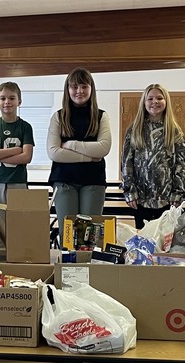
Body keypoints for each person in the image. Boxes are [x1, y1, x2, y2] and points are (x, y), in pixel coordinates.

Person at [47, 67, 112, 238]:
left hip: (93, 181)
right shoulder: (58, 117)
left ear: (91, 89)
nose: (79, 91)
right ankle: (67, 265)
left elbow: (103, 148)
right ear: (67, 89)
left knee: (90, 235)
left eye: (84, 86)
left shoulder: (101, 116)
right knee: (68, 233)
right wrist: (91, 157)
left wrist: (70, 144)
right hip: (64, 181)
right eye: (74, 87)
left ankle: (89, 265)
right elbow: (54, 152)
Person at [121, 83, 185, 230]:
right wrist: (129, 191)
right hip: (140, 198)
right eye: (150, 98)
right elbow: (127, 162)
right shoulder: (134, 129)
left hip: (167, 199)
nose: (155, 102)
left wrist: (178, 192)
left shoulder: (174, 130)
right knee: (144, 239)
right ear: (144, 102)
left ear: (166, 101)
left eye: (159, 98)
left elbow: (182, 163)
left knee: (164, 242)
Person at [0, 82, 34, 204]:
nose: (7, 102)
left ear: (19, 102)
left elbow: (26, 157)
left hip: (18, 181)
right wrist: (15, 151)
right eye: (3, 98)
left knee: (17, 220)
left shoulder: (25, 127)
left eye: (12, 98)